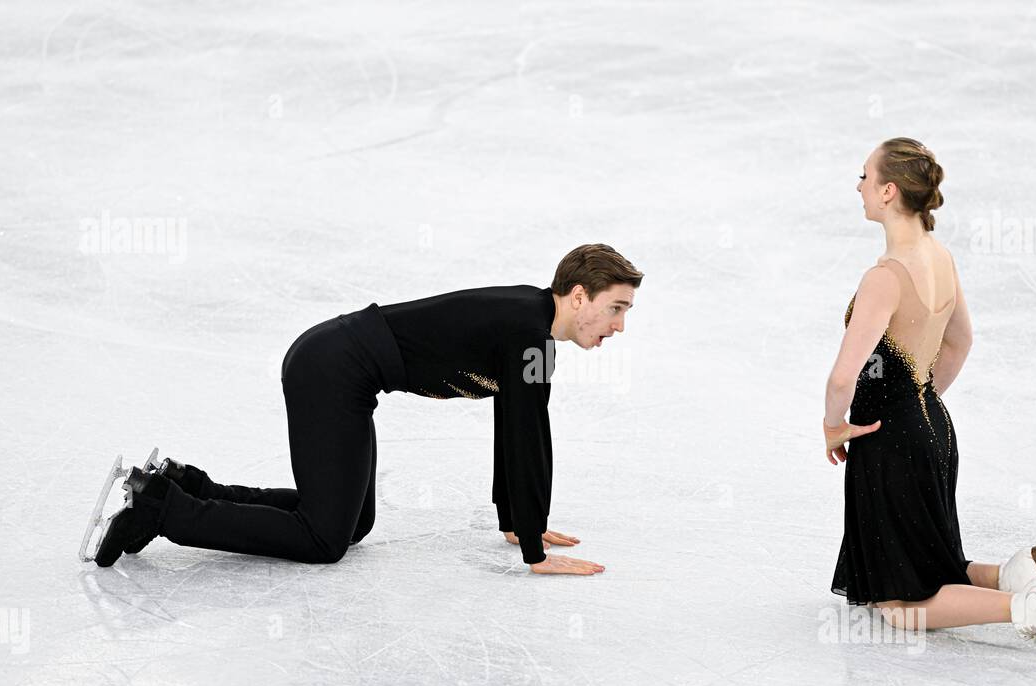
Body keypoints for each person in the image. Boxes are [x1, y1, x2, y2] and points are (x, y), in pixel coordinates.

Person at [88, 243, 642, 576]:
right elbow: (525, 432)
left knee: (353, 523)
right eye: (615, 308)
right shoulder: (529, 336)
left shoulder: (533, 332)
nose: (619, 325)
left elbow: (517, 428)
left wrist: (518, 525)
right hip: (330, 368)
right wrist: (534, 548)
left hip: (345, 371)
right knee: (324, 539)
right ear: (577, 297)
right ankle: (162, 510)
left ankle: (189, 487)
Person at [822, 138, 1036, 662]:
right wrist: (920, 405)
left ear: (888, 192)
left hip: (891, 440)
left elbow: (844, 376)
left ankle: (1030, 606)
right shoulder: (940, 257)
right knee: (933, 563)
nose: (859, 185)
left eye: (864, 176)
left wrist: (832, 425)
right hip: (934, 424)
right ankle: (1027, 565)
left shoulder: (885, 278)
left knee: (896, 604)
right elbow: (960, 342)